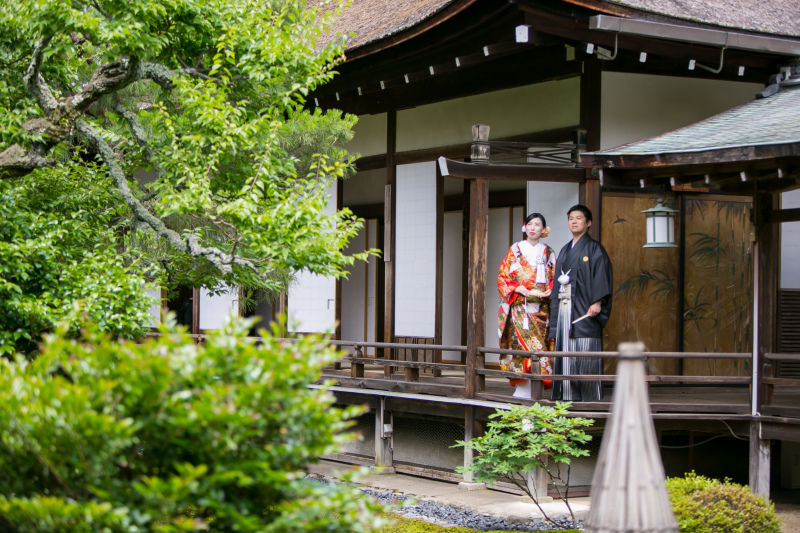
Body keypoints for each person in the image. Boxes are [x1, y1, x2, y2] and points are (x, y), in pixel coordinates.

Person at [548, 204, 613, 402]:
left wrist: (597, 302)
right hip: (565, 306)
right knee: (566, 346)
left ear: (588, 223)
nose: (574, 221)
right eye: (571, 218)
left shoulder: (594, 249)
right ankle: (566, 394)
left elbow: (602, 276)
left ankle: (588, 396)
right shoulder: (566, 249)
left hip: (585, 307)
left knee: (584, 346)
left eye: (578, 218)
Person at [497, 213, 556, 399]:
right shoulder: (515, 249)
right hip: (520, 305)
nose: (532, 228)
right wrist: (517, 287)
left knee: (540, 344)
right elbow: (503, 276)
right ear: (525, 227)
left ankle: (536, 383)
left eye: (537, 224)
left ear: (543, 229)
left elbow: (554, 277)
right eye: (529, 224)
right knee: (519, 343)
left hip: (540, 307)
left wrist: (551, 291)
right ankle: (522, 386)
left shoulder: (548, 251)